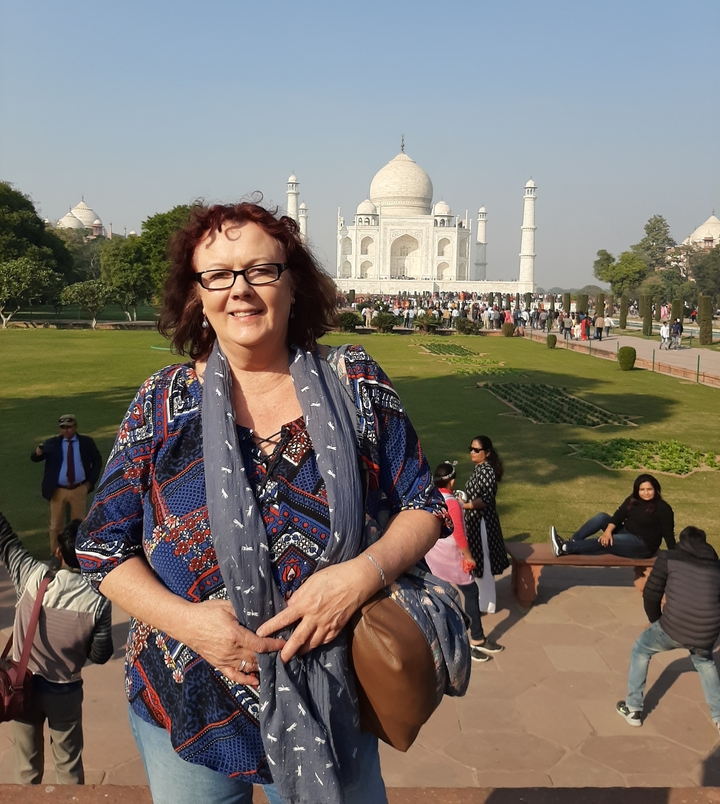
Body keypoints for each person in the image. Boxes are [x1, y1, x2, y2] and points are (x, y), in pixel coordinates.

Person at [76, 202, 452, 804]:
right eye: (218, 275)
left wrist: (360, 576)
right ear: (197, 295)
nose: (240, 290)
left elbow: (424, 505)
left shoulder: (354, 382)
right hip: (187, 691)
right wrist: (192, 626)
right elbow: (101, 548)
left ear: (292, 283)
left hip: (333, 696)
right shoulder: (163, 402)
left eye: (261, 270)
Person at [0, 514, 113, 784]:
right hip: (65, 692)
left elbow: (5, 540)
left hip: (21, 687)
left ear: (59, 552)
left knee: (26, 771)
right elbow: (100, 655)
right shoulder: (99, 601)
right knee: (69, 769)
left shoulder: (31, 574)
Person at [616, 526, 720, 730]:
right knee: (705, 662)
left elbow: (651, 593)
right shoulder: (716, 567)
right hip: (706, 631)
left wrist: (657, 621)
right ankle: (719, 715)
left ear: (682, 542)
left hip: (673, 625)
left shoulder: (668, 558)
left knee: (641, 650)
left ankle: (633, 708)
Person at [425, 463, 503, 663]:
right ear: (452, 482)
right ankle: (476, 639)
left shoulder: (431, 497)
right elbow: (459, 534)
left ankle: (441, 641)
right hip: (451, 556)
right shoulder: (452, 502)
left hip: (434, 555)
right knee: (471, 592)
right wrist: (469, 557)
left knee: (440, 596)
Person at [550, 474, 675, 559]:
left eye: (649, 489)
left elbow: (668, 533)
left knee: (605, 541)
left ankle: (565, 548)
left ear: (656, 489)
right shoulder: (633, 500)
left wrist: (675, 555)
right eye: (642, 490)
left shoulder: (663, 508)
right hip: (626, 532)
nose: (646, 493)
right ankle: (574, 540)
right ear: (637, 490)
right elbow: (618, 516)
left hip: (643, 546)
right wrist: (608, 531)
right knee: (602, 517)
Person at [30, 414, 102, 555]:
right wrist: (38, 452)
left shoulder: (86, 442)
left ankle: (77, 554)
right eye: (63, 427)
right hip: (58, 491)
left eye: (68, 427)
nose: (65, 430)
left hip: (79, 488)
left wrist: (89, 483)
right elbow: (35, 458)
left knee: (79, 525)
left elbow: (97, 461)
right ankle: (56, 554)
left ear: (75, 426)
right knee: (56, 526)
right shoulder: (53, 443)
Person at [461, 436, 509, 614]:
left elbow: (486, 499)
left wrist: (464, 505)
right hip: (476, 521)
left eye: (476, 450)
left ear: (487, 453)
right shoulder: (479, 468)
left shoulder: (487, 471)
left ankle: (487, 604)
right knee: (478, 560)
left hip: (483, 522)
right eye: (471, 449)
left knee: (484, 562)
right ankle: (483, 601)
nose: (472, 452)